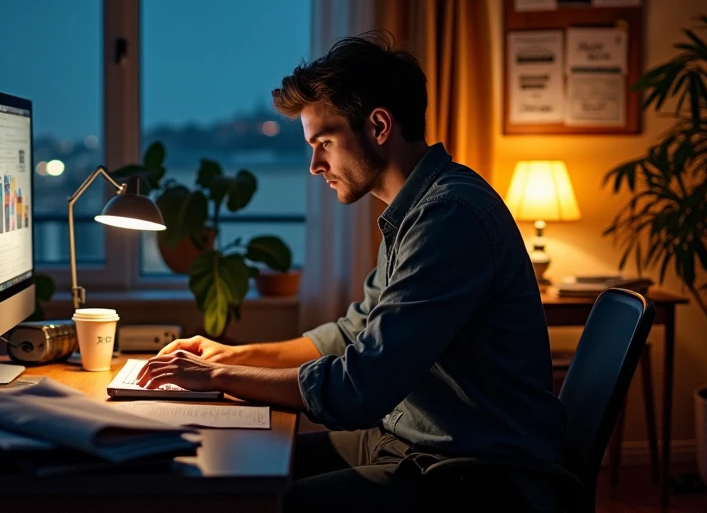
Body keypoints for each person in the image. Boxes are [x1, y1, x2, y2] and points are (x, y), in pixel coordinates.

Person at [138, 31, 565, 511]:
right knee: (236, 464)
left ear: (379, 125)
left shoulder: (449, 216)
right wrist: (234, 356)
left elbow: (359, 387)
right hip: (409, 444)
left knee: (255, 499)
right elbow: (352, 332)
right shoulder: (417, 210)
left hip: (477, 476)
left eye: (323, 141)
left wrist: (218, 375)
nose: (315, 165)